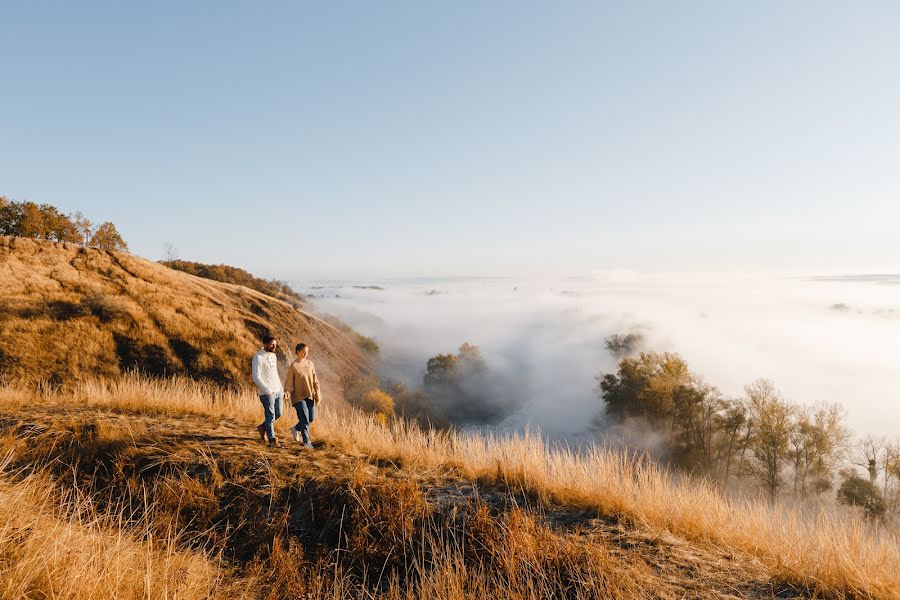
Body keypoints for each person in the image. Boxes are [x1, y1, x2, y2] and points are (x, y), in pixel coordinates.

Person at [283, 342, 321, 449]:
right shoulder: (293, 366)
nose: (306, 354)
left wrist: (317, 393)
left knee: (310, 418)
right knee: (304, 418)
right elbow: (289, 383)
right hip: (298, 397)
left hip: (309, 395)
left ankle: (295, 428)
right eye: (304, 352)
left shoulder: (310, 363)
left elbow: (315, 379)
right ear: (298, 352)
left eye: (307, 352)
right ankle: (306, 442)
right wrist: (287, 392)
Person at [251, 333, 283, 446]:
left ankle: (262, 427)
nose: (274, 347)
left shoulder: (273, 356)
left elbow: (275, 374)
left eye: (275, 344)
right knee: (270, 416)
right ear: (265, 344)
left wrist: (281, 389)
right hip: (267, 393)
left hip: (278, 391)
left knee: (278, 414)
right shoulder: (258, 358)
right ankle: (272, 440)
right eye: (271, 344)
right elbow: (256, 377)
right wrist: (267, 390)